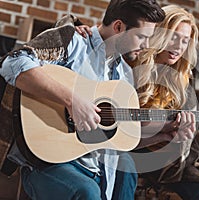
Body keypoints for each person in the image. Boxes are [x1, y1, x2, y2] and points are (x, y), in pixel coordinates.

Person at [0, 0, 165, 199]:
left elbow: (118, 138)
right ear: (119, 26)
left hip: (96, 166)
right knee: (87, 191)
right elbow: (12, 62)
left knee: (126, 168)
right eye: (141, 36)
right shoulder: (73, 40)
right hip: (48, 161)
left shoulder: (125, 74)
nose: (146, 45)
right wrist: (72, 101)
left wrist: (162, 136)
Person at [132, 5, 199, 200]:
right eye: (174, 37)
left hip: (167, 160)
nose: (179, 47)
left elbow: (185, 140)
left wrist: (181, 133)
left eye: (185, 41)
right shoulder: (132, 63)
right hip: (129, 152)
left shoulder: (182, 81)